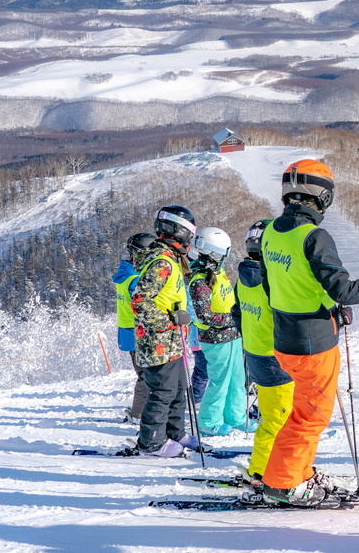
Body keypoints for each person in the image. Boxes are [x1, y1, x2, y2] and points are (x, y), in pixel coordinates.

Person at [259, 159, 359, 507]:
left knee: (306, 410)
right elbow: (343, 289)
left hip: (286, 336)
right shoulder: (313, 236)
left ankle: (298, 472)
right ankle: (282, 483)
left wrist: (323, 303)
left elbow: (276, 285)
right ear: (322, 196)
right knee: (310, 416)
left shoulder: (271, 231)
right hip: (312, 343)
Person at [123, 206, 201, 458]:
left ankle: (174, 433)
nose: (190, 241)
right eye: (189, 234)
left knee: (179, 388)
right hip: (157, 341)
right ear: (178, 232)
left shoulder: (172, 260)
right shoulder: (161, 263)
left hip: (172, 341)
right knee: (162, 392)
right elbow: (140, 302)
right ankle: (151, 443)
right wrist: (170, 320)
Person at [232, 219, 292, 488]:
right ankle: (261, 472)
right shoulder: (271, 281)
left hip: (255, 354)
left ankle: (281, 465)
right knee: (278, 419)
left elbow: (237, 313)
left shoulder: (243, 277)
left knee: (278, 415)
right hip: (274, 357)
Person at [188, 226, 248, 436]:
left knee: (237, 379)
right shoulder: (199, 280)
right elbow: (204, 315)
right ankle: (208, 421)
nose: (224, 258)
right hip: (215, 338)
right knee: (220, 380)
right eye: (223, 254)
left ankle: (236, 416)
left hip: (232, 335)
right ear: (214, 253)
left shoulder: (218, 274)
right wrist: (234, 319)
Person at [113, 232, 156, 423]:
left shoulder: (125, 274)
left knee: (144, 374)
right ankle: (138, 414)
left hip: (128, 331)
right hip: (137, 332)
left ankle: (140, 411)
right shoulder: (136, 279)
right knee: (146, 376)